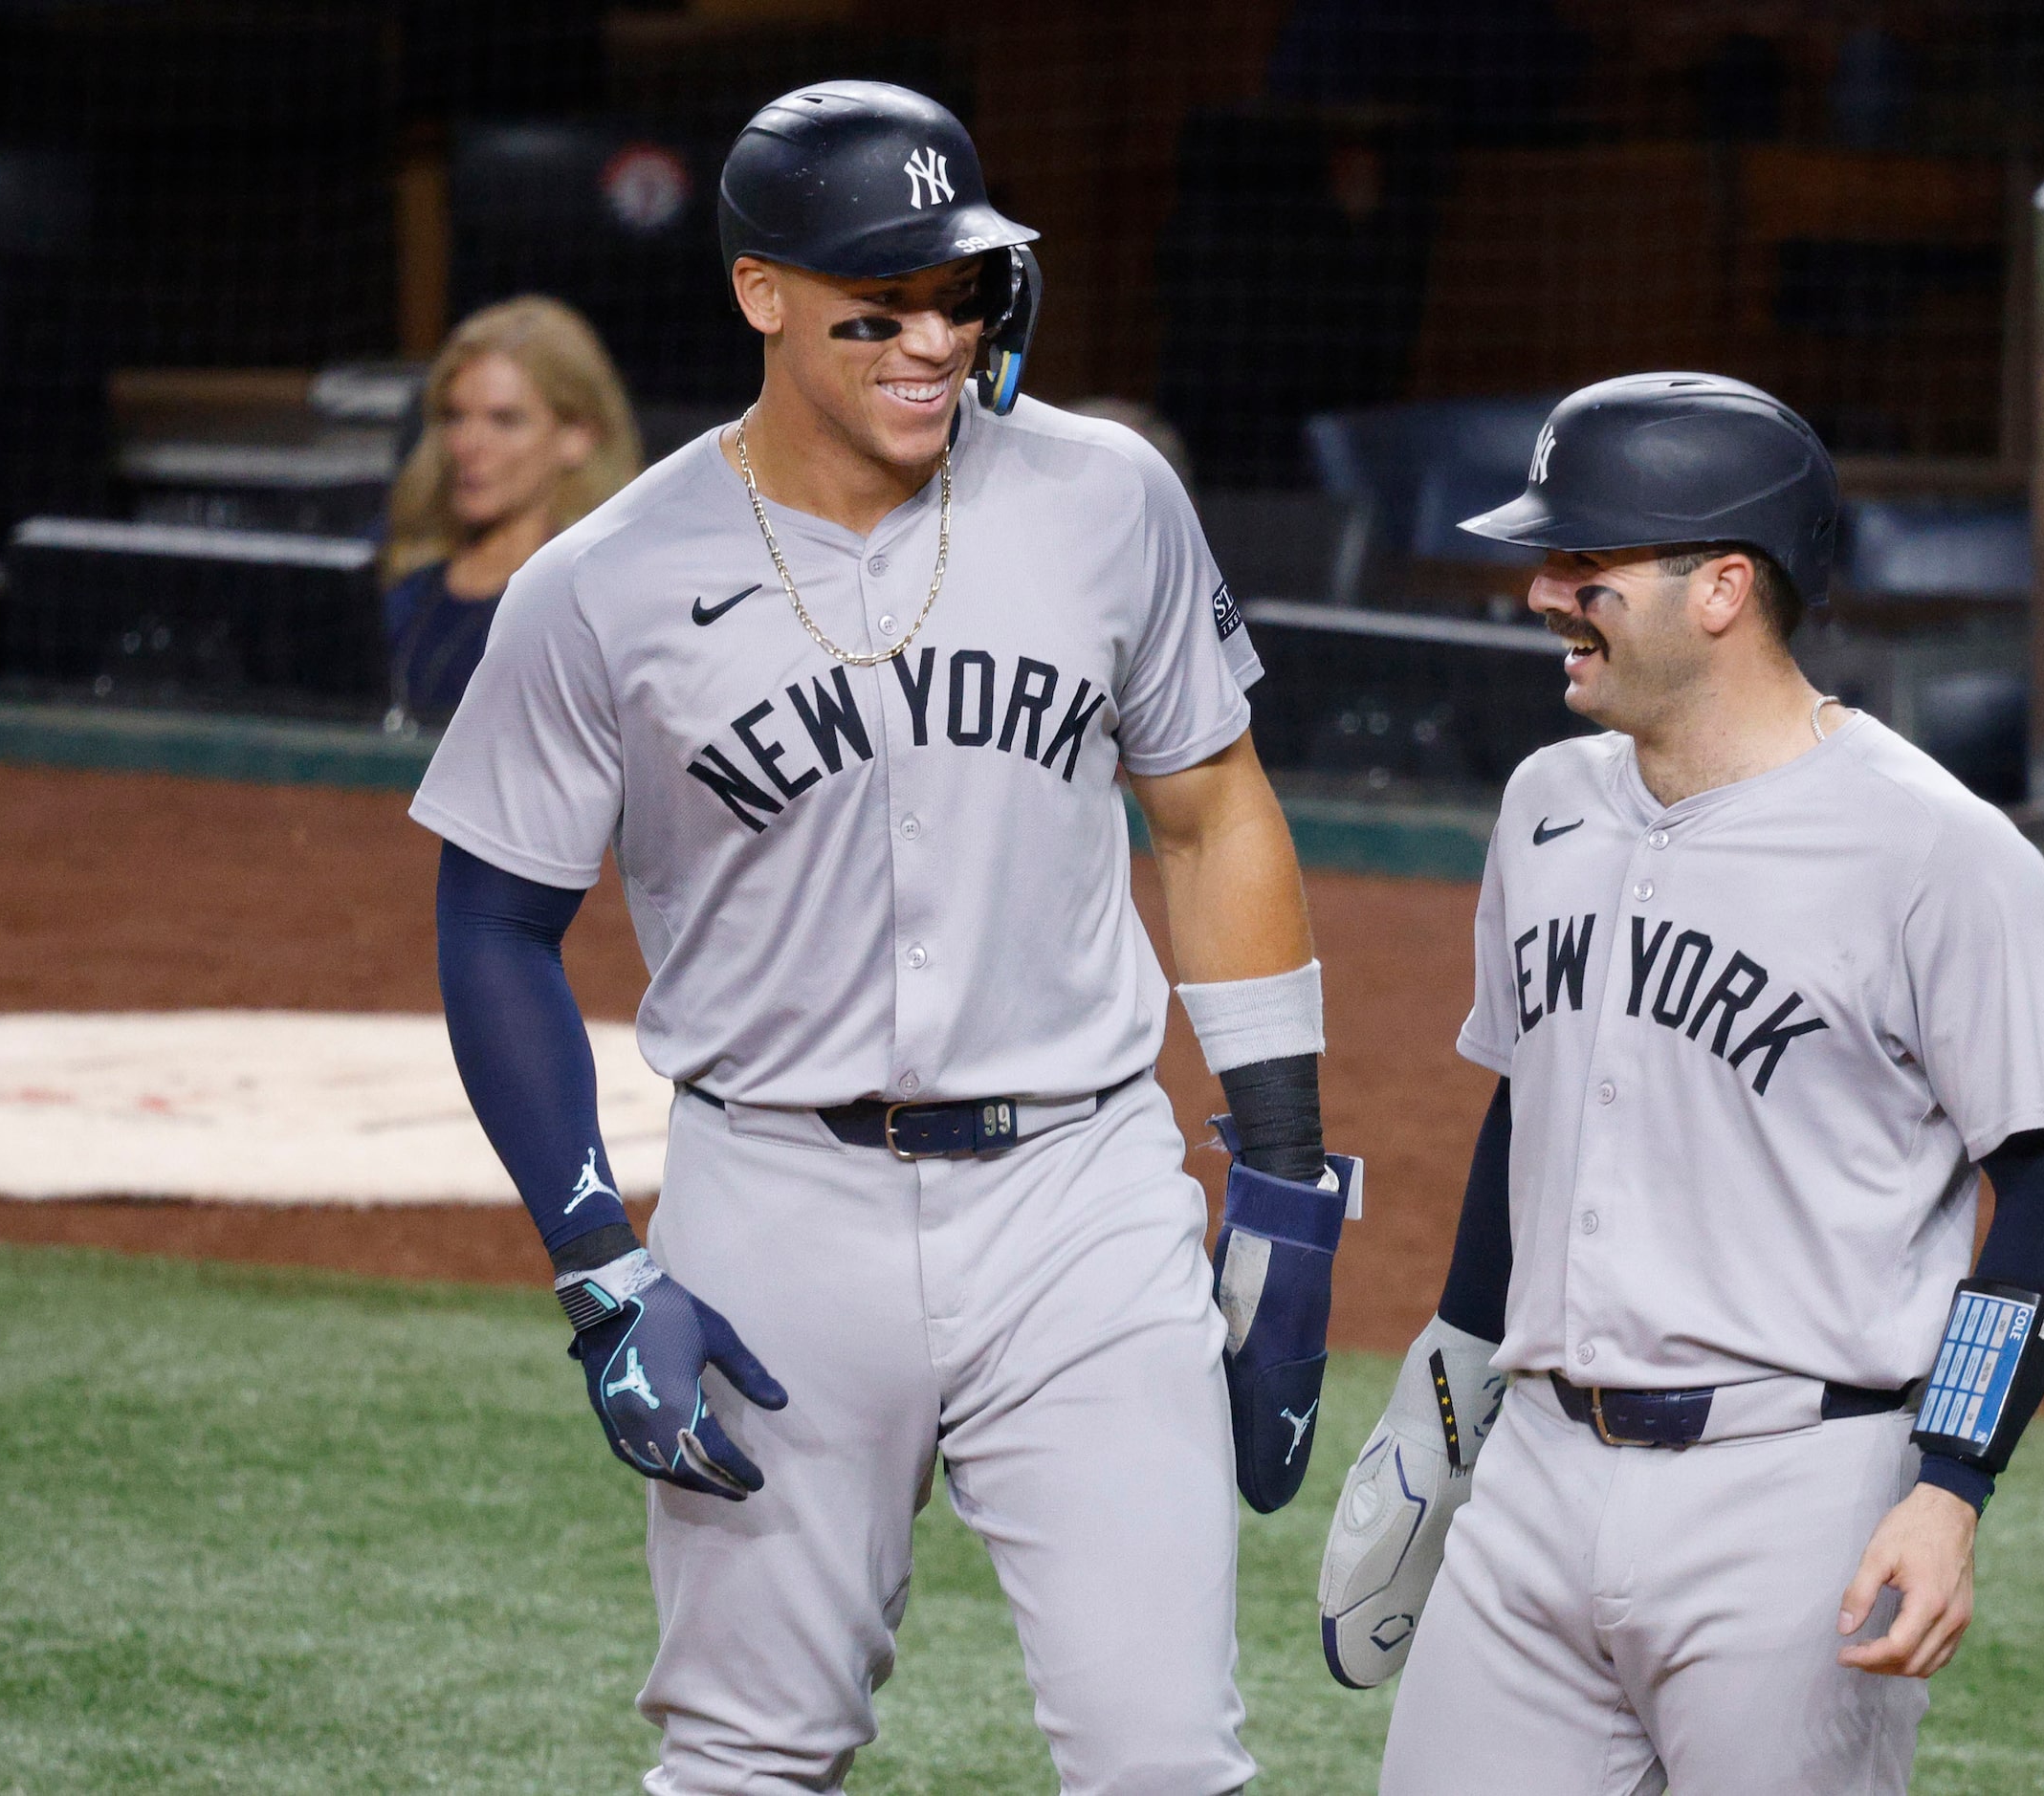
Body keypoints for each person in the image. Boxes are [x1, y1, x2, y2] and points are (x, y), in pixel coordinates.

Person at [411, 80, 1357, 1794]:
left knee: (1168, 1756)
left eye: (962, 295)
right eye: (879, 310)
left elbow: (1212, 809)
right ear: (759, 293)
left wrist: (1281, 1165)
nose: (934, 343)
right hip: (775, 1204)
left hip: (1082, 1196)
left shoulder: (1104, 497)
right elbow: (492, 918)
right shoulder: (602, 583)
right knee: (747, 1751)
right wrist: (595, 1261)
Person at [1315, 373, 2044, 1795]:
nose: (1541, 591)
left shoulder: (1937, 851)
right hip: (1541, 1475)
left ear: (1724, 586)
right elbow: (1530, 1111)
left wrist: (1951, 1481)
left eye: (1585, 564)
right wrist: (1447, 1383)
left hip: (1796, 1493)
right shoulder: (1545, 804)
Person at [380, 296, 640, 726]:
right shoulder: (398, 573)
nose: (468, 446)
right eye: (456, 417)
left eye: (504, 420)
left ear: (576, 435)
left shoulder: (601, 607)